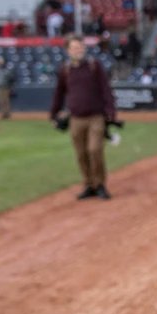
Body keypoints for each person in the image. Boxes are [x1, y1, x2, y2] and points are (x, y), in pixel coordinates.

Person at [49, 34, 116, 200]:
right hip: (75, 118)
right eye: (74, 48)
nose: (78, 50)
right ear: (67, 50)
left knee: (95, 150)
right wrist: (54, 113)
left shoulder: (94, 66)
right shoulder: (65, 70)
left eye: (80, 47)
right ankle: (89, 184)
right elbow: (59, 93)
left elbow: (106, 89)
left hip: (96, 116)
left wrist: (111, 111)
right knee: (81, 153)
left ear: (84, 48)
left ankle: (100, 184)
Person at [0, 55, 15, 119]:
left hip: (6, 88)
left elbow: (12, 79)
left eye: (1, 62)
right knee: (0, 101)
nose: (0, 64)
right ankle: (3, 114)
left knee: (6, 101)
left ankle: (7, 114)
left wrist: (11, 87)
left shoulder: (7, 71)